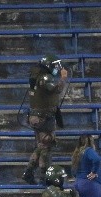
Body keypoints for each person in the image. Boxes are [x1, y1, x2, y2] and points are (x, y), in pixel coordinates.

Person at [22, 54, 69, 185]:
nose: (56, 68)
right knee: (46, 146)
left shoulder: (35, 76)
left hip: (36, 117)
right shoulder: (45, 77)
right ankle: (44, 175)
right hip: (44, 118)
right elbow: (56, 89)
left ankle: (29, 172)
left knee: (41, 145)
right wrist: (63, 78)